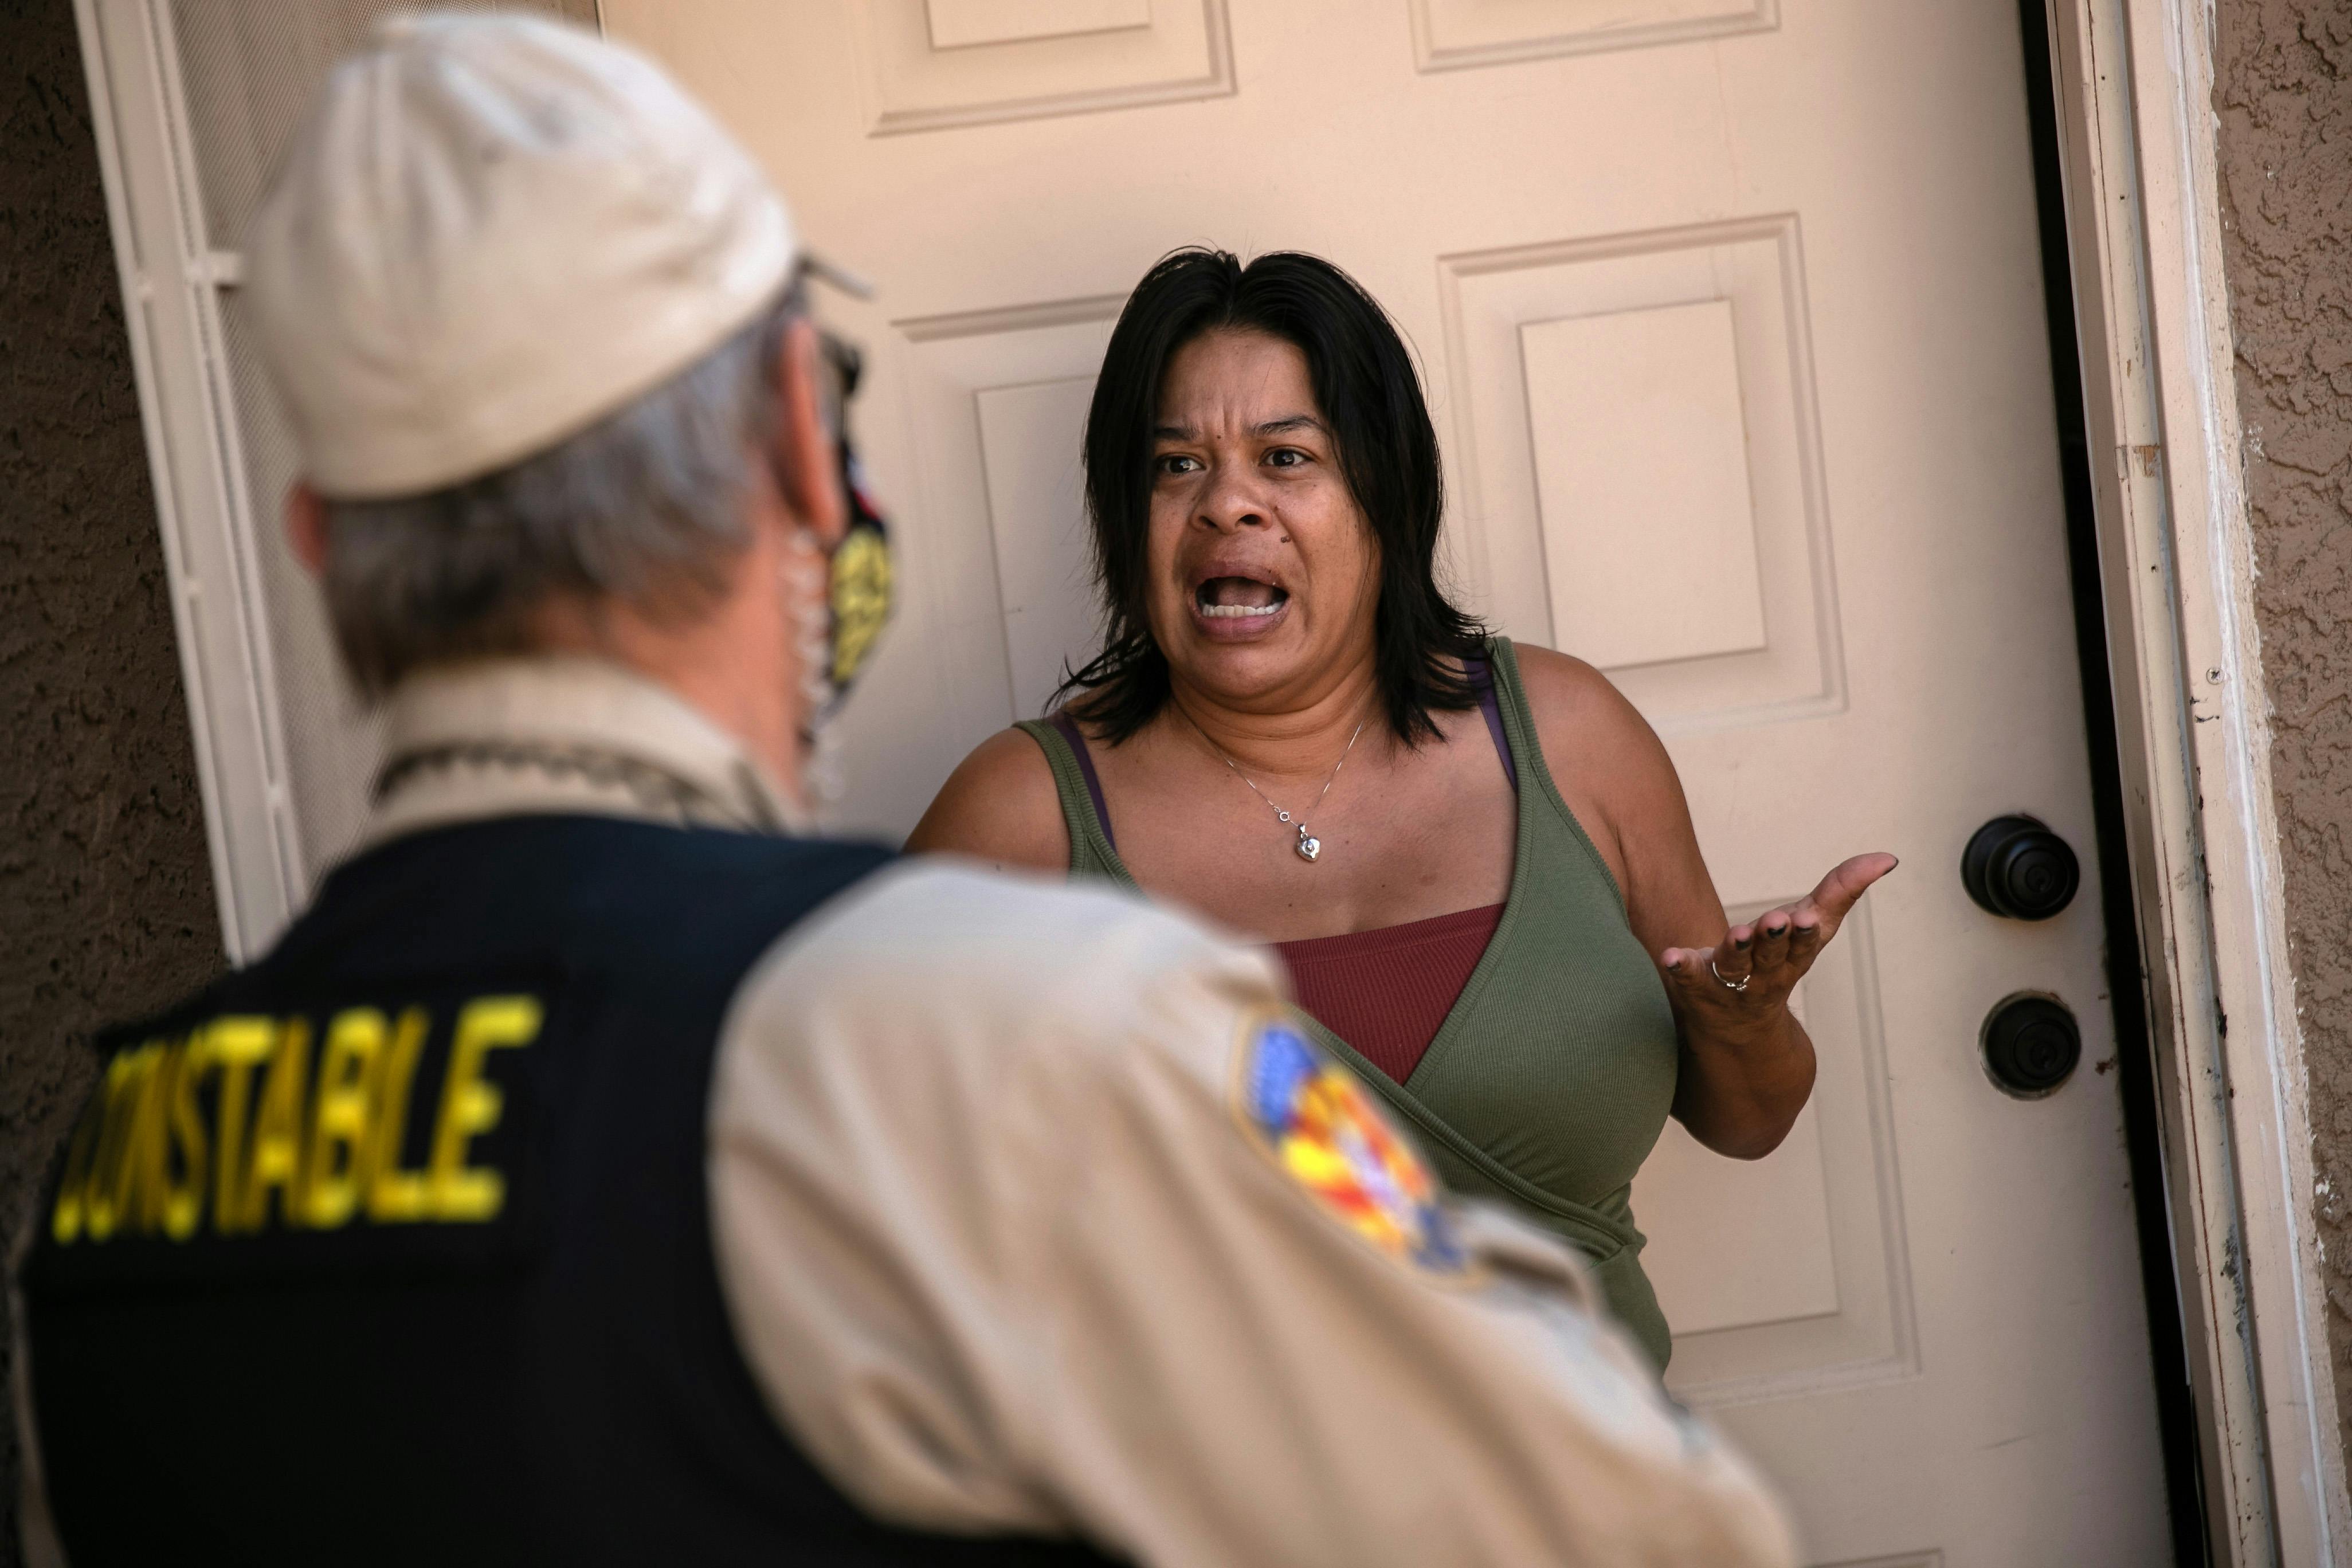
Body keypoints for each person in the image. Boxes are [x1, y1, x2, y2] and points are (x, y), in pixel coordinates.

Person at [11, 15, 1796, 1567]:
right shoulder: (1001, 1013)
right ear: (801, 446)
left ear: (319, 548)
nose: (1229, 502)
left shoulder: (110, 1178)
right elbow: (1631, 1512)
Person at [911, 249, 1897, 1370]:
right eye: (1175, 465)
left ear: (1385, 494)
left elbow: (1750, 1120)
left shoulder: (1569, 740)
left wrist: (1739, 1024)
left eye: (1287, 457)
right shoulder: (1018, 823)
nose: (1227, 500)